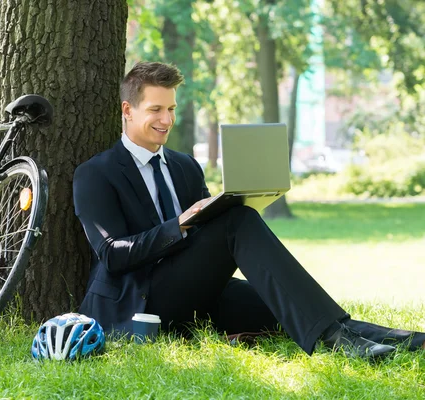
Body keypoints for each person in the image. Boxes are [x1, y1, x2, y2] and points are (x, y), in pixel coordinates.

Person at [72, 61, 425, 359]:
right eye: (156, 110)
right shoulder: (96, 173)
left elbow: (209, 233)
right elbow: (113, 255)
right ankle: (342, 342)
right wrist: (178, 225)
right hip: (139, 303)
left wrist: (226, 205)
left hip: (199, 293)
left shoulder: (185, 166)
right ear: (128, 110)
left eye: (172, 109)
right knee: (238, 221)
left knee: (296, 308)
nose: (167, 119)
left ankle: (403, 341)